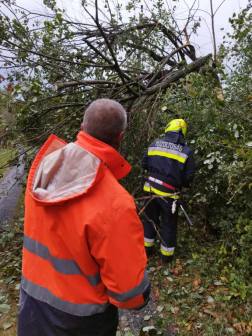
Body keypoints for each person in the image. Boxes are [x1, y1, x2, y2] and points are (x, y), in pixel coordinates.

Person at [18, 99, 151, 336]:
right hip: (81, 325)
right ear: (120, 138)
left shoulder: (42, 170)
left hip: (31, 308)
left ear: (82, 127)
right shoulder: (115, 204)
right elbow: (130, 294)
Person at [141, 119, 195, 264]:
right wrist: (181, 185)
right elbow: (189, 176)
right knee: (169, 225)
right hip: (170, 194)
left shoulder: (154, 145)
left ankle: (146, 250)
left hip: (150, 190)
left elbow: (144, 164)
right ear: (182, 133)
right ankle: (166, 258)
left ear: (168, 129)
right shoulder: (186, 151)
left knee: (150, 219)